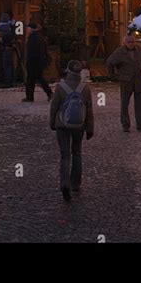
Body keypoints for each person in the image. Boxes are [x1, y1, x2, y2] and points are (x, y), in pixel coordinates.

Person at [50, 60, 94, 201]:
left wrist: (52, 123)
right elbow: (89, 110)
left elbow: (54, 107)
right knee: (76, 153)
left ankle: (64, 183)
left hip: (63, 125)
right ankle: (75, 183)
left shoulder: (60, 87)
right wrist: (90, 128)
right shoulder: (85, 89)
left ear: (68, 71)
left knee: (65, 155)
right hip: (79, 126)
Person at [106, 32, 141, 132]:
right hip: (126, 82)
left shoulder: (140, 50)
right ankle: (125, 125)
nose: (131, 43)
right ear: (124, 42)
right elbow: (109, 62)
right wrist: (114, 76)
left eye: (132, 41)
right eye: (128, 42)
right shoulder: (119, 52)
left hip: (139, 81)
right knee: (124, 104)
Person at [22, 22, 52, 102]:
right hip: (38, 61)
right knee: (39, 78)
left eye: (28, 28)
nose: (27, 30)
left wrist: (28, 61)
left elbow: (32, 51)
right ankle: (49, 93)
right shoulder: (40, 37)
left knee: (31, 80)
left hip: (33, 61)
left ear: (31, 29)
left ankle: (30, 97)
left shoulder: (33, 38)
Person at [0, 12, 16, 87]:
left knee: (6, 65)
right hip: (10, 48)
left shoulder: (1, 27)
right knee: (10, 65)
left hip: (5, 48)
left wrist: (0, 39)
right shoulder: (11, 26)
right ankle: (11, 80)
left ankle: (7, 82)